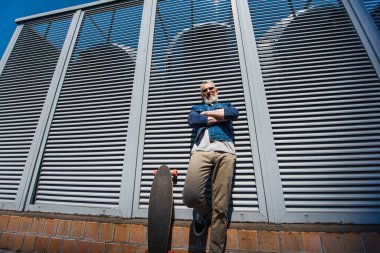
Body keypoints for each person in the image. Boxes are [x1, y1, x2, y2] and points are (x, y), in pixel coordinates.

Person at [182, 80, 239, 252]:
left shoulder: (226, 104)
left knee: (221, 208)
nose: (208, 92)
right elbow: (192, 120)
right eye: (204, 90)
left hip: (226, 153)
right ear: (201, 94)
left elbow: (233, 113)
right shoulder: (195, 108)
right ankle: (203, 212)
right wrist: (218, 116)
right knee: (190, 196)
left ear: (216, 90)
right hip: (201, 151)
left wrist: (208, 115)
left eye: (210, 88)